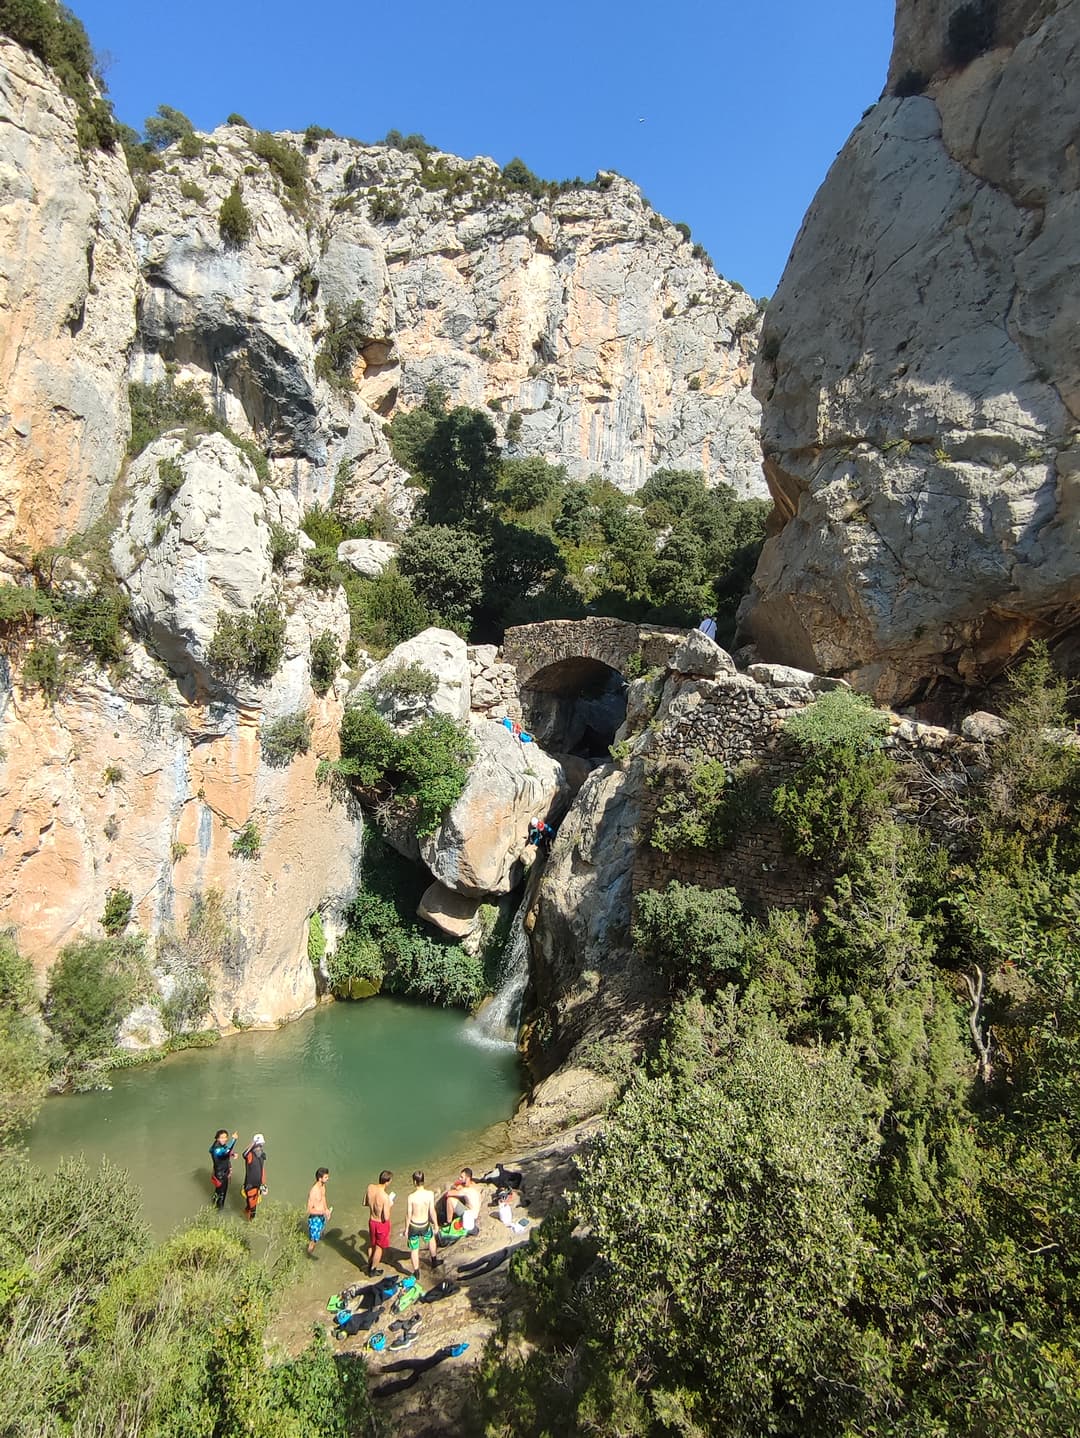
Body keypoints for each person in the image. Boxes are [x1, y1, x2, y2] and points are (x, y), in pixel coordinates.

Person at [404, 1171, 440, 1275]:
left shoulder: (411, 1197)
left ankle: (416, 1272)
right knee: (431, 1240)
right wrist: (436, 1225)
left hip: (414, 1225)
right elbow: (432, 1211)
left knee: (414, 1249)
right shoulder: (430, 1194)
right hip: (425, 1224)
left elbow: (408, 1214)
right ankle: (434, 1262)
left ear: (415, 1182)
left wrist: (406, 1229)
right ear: (423, 1181)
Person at [365, 1169, 395, 1276]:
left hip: (371, 1220)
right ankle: (373, 1269)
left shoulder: (370, 1187)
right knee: (379, 1248)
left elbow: (365, 1202)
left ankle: (369, 1264)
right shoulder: (385, 1197)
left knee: (371, 1244)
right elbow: (386, 1217)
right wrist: (390, 1204)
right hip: (380, 1224)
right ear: (387, 1182)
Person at [442, 1167, 482, 1233]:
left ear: (467, 1178)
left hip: (470, 1216)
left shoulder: (466, 1190)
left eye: (461, 1177)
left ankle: (448, 1223)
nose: (459, 1179)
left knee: (450, 1200)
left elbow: (448, 1194)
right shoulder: (474, 1185)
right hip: (475, 1214)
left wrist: (456, 1186)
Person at [209, 1129, 237, 1210]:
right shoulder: (216, 1149)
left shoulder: (219, 1146)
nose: (224, 1139)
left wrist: (232, 1154)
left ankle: (214, 1205)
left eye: (225, 1137)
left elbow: (226, 1151)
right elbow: (225, 1151)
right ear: (217, 1138)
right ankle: (219, 1210)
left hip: (220, 1172)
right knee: (222, 1194)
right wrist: (234, 1140)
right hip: (221, 1175)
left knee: (218, 1192)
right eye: (221, 1138)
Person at [306, 1167, 332, 1255]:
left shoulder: (323, 1186)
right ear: (320, 1178)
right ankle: (308, 1255)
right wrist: (322, 1212)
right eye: (326, 1177)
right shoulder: (313, 1191)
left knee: (321, 1232)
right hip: (315, 1219)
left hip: (321, 1215)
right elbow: (309, 1210)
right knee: (313, 1241)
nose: (328, 1179)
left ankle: (321, 1237)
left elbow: (323, 1198)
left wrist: (326, 1209)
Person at [242, 1134, 267, 1221]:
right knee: (253, 1209)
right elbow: (244, 1154)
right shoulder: (250, 1155)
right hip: (250, 1185)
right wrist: (252, 1143)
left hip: (258, 1186)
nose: (260, 1147)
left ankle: (246, 1214)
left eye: (261, 1145)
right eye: (258, 1145)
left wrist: (264, 1185)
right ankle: (250, 1224)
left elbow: (262, 1170)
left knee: (251, 1206)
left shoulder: (261, 1155)